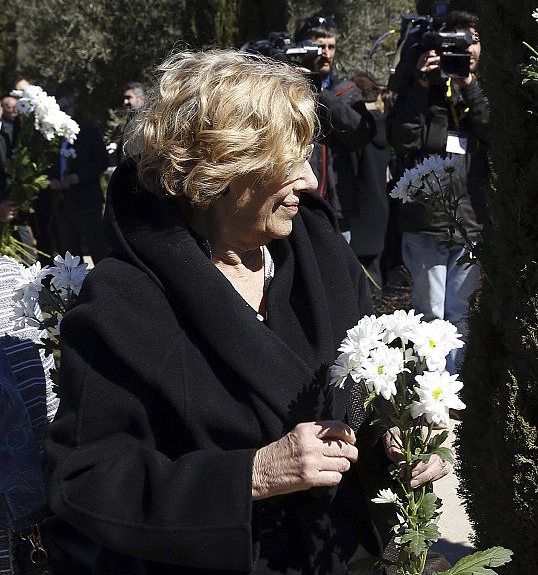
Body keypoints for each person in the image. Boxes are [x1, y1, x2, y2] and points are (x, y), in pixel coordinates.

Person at [45, 50, 449, 574]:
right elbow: (85, 478)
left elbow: (363, 390)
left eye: (308, 157)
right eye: (288, 162)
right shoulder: (125, 300)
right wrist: (251, 475)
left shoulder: (322, 253)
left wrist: (397, 438)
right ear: (220, 169)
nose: (309, 181)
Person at [388, 10, 490, 374]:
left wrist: (469, 86)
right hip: (425, 222)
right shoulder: (423, 87)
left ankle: (455, 387)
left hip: (470, 221)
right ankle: (429, 389)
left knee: (460, 312)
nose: (466, 50)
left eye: (472, 41)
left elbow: (494, 131)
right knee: (429, 313)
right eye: (457, 42)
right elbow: (402, 139)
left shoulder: (483, 89)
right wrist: (420, 84)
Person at [295, 15, 376, 243]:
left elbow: (360, 134)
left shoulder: (347, 92)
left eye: (331, 47)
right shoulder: (286, 88)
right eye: (320, 47)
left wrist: (319, 93)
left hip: (337, 207)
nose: (326, 54)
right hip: (297, 203)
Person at [35, 93, 109, 263]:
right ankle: (74, 281)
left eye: (66, 108)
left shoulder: (88, 131)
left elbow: (102, 161)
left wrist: (78, 178)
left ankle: (106, 279)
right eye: (59, 109)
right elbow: (47, 165)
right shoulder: (52, 136)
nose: (63, 112)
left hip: (86, 201)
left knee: (96, 246)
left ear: (74, 108)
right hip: (61, 203)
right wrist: (51, 181)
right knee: (69, 252)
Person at [348, 72, 392, 293]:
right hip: (381, 209)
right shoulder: (386, 125)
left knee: (357, 282)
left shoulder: (356, 132)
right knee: (374, 276)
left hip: (358, 213)